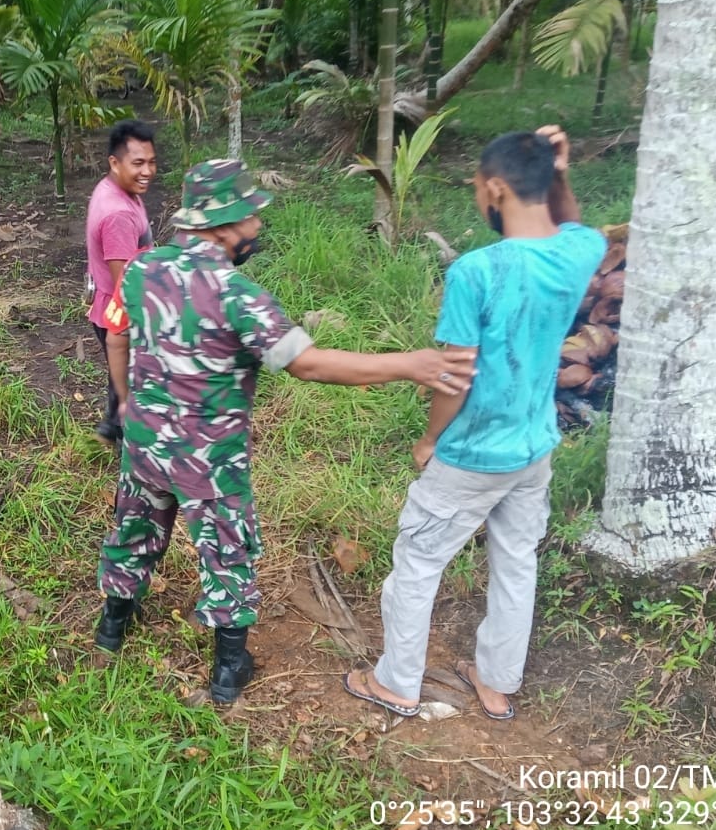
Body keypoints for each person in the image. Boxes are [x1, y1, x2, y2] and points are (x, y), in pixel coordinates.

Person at [92, 159, 478, 706]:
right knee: (226, 552)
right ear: (225, 225)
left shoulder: (141, 270)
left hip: (147, 445)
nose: (256, 228)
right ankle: (228, 671)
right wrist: (409, 363)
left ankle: (112, 627)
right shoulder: (238, 295)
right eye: (251, 218)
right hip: (210, 461)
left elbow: (116, 332)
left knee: (134, 529)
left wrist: (127, 402)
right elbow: (309, 364)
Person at [344, 126, 605, 722]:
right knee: (516, 561)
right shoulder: (579, 249)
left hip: (471, 454)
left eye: (476, 191)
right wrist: (557, 170)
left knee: (418, 561)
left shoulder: (476, 271)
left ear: (494, 187)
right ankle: (495, 683)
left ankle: (397, 683)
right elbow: (570, 221)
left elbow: (453, 374)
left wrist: (431, 438)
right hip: (534, 447)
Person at [85, 120, 158, 450]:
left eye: (151, 162)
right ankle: (130, 446)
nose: (147, 171)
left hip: (108, 306)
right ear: (114, 163)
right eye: (138, 163)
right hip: (119, 313)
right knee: (134, 380)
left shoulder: (114, 189)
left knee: (123, 380)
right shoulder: (117, 214)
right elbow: (126, 286)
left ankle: (110, 430)